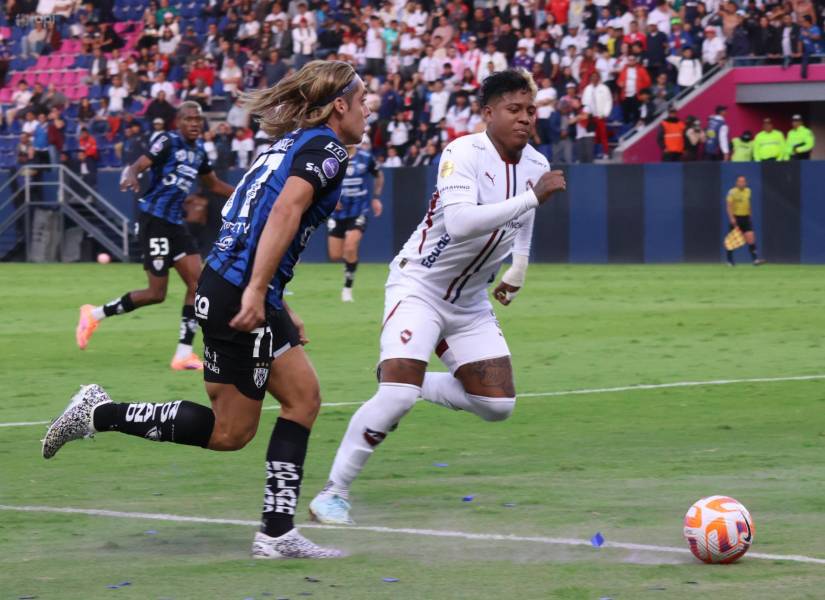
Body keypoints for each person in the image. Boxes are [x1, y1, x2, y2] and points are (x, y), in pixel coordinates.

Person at [42, 61, 370, 559]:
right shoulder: (325, 148)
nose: (370, 109)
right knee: (230, 431)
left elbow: (252, 215)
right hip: (241, 291)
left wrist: (274, 297)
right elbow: (283, 212)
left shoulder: (285, 146)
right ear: (340, 104)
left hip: (229, 283)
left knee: (303, 398)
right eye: (363, 100)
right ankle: (98, 412)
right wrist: (259, 291)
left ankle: (277, 534)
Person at [307, 70, 566, 525]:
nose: (525, 119)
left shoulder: (537, 165)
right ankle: (333, 492)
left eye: (530, 110)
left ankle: (412, 381)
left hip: (470, 301)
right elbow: (464, 222)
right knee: (395, 399)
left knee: (497, 404)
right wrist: (531, 198)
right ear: (488, 113)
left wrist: (518, 269)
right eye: (514, 110)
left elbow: (525, 221)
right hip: (419, 287)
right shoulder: (461, 153)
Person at [73, 102, 235, 370]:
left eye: (198, 119)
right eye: (189, 119)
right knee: (156, 293)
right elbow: (138, 165)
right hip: (154, 221)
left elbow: (213, 184)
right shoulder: (167, 142)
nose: (195, 123)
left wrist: (246, 193)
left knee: (198, 284)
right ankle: (94, 314)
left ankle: (183, 354)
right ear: (178, 122)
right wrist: (133, 176)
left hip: (175, 224)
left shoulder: (198, 152)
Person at [327, 141, 384, 302]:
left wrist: (376, 198)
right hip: (338, 213)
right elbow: (323, 180)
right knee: (335, 255)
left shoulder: (366, 158)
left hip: (359, 209)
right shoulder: (333, 157)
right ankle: (349, 266)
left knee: (350, 247)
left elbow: (379, 175)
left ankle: (347, 288)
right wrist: (330, 198)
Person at [725, 175, 765, 266]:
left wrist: (750, 215)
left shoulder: (748, 191)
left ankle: (755, 260)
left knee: (751, 238)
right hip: (736, 218)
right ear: (736, 183)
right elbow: (728, 206)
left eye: (743, 182)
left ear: (745, 183)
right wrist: (731, 218)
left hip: (745, 218)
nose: (742, 183)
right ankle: (729, 260)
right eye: (740, 181)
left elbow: (748, 203)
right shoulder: (732, 192)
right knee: (732, 240)